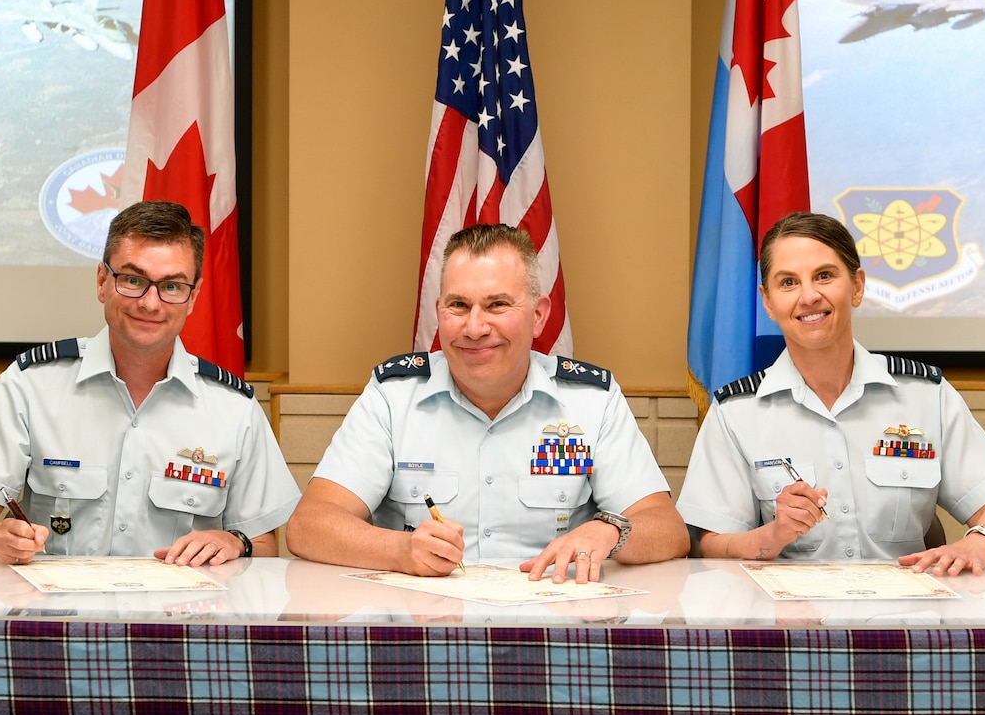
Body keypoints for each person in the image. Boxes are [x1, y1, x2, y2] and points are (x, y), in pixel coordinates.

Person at [286, 224, 689, 581]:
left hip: (554, 628)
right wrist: (400, 551)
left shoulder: (590, 400)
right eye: (458, 306)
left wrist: (612, 532)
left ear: (538, 315)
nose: (475, 327)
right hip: (424, 631)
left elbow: (667, 529)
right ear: (439, 311)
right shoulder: (394, 396)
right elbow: (310, 525)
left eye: (498, 305)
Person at [0, 200, 298, 567]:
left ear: (193, 297)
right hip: (57, 615)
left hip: (181, 618)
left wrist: (234, 541)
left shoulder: (234, 409)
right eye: (133, 281)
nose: (150, 303)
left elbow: (264, 545)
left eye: (172, 287)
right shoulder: (31, 385)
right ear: (102, 282)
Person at [678, 211, 985, 575]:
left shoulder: (924, 395)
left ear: (857, 286)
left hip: (906, 617)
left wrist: (978, 543)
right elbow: (711, 543)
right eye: (788, 282)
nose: (809, 296)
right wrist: (773, 534)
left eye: (824, 276)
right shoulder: (737, 411)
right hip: (792, 620)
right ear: (767, 301)